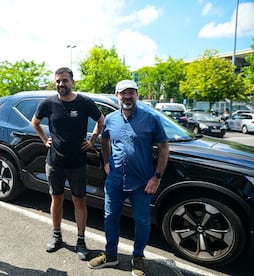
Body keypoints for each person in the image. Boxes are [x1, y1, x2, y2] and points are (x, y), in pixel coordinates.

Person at [87, 80, 169, 276]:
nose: (127, 97)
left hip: (142, 182)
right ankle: (110, 255)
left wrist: (156, 177)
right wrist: (106, 162)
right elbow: (104, 138)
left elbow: (164, 148)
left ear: (137, 94)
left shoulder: (151, 118)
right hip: (115, 180)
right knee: (110, 218)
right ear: (117, 96)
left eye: (131, 93)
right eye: (123, 93)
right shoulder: (111, 119)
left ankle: (138, 257)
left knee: (142, 221)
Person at [31, 67, 104, 260]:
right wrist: (43, 139)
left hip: (78, 163)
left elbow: (100, 120)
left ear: (72, 82)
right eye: (58, 81)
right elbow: (35, 122)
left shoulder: (84, 102)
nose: (61, 84)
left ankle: (81, 240)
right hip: (54, 162)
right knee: (57, 199)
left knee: (80, 201)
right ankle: (57, 237)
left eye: (64, 80)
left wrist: (92, 140)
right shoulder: (48, 103)